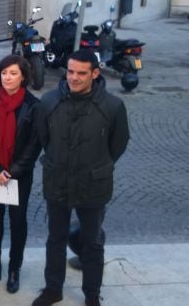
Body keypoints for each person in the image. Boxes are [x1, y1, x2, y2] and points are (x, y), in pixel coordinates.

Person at [31, 49, 130, 306]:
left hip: (94, 185)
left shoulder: (113, 106)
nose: (73, 78)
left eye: (81, 73)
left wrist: (96, 165)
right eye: (71, 71)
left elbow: (117, 145)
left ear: (95, 74)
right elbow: (44, 138)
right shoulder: (49, 102)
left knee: (93, 243)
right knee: (55, 239)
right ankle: (53, 289)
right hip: (57, 180)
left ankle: (92, 295)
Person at [0, 55, 40, 294]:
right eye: (4, 73)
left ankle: (14, 269)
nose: (7, 78)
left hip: (18, 176)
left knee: (17, 222)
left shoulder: (33, 106)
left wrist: (11, 172)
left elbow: (34, 145)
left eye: (13, 73)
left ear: (23, 76)